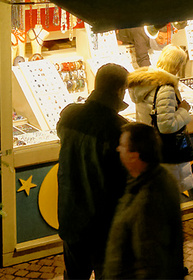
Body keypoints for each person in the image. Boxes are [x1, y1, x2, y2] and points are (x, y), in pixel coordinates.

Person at [57, 63, 130, 279]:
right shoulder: (119, 128)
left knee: (75, 274)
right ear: (119, 90)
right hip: (103, 224)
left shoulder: (70, 115)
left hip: (70, 213)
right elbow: (122, 182)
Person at [104, 122, 186, 279]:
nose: (118, 149)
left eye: (122, 145)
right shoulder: (152, 179)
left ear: (134, 155)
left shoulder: (148, 200)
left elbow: (152, 264)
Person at [128, 46, 193, 190]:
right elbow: (167, 126)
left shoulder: (144, 82)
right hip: (168, 154)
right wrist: (183, 110)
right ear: (177, 65)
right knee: (170, 192)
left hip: (150, 149)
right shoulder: (166, 88)